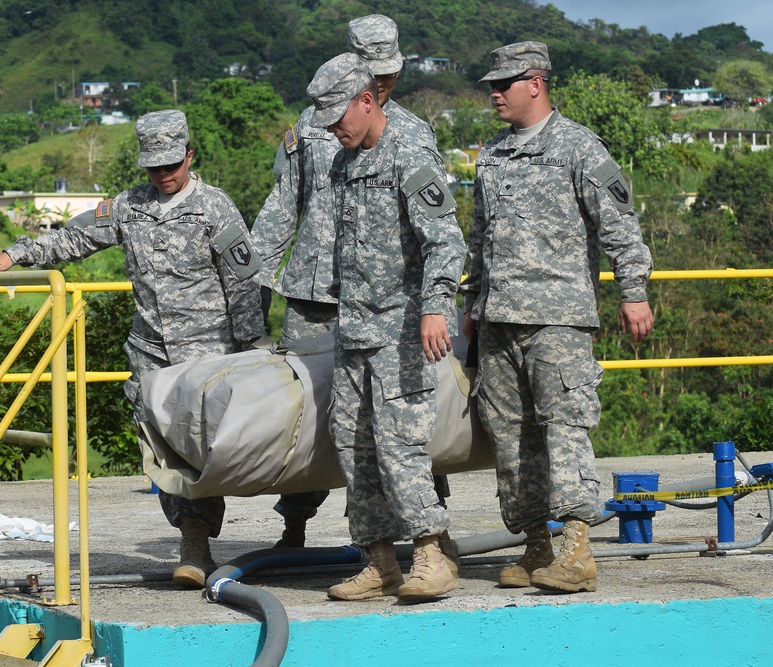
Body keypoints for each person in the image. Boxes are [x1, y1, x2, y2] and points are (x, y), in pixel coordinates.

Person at [0, 109, 270, 589]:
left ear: (190, 156)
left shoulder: (215, 207)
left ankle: (253, 530)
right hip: (151, 354)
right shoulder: (129, 207)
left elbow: (244, 282)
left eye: (172, 164)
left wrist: (249, 348)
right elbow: (74, 237)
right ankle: (193, 542)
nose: (164, 174)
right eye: (154, 167)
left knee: (201, 448)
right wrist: (15, 254)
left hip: (208, 354)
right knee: (163, 450)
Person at [250, 12, 457, 562]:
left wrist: (435, 303)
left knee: (399, 420)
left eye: (388, 77)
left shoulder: (411, 135)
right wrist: (255, 281)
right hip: (315, 297)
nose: (382, 85)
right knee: (319, 417)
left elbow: (439, 232)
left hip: (386, 305)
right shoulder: (315, 122)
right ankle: (298, 526)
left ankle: (427, 532)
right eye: (373, 74)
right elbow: (282, 205)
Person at [462, 41, 655, 593]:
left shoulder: (579, 146)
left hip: (558, 317)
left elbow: (620, 224)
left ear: (536, 83)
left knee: (565, 428)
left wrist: (633, 292)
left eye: (504, 84)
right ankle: (535, 547)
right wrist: (472, 303)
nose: (495, 94)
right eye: (491, 86)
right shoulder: (493, 155)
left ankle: (577, 551)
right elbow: (480, 236)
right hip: (499, 320)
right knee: (509, 436)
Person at [305, 53, 467, 602]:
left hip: (401, 330)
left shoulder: (409, 155)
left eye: (338, 116)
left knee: (401, 446)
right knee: (353, 445)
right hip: (354, 330)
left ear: (368, 99)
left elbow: (446, 241)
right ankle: (378, 562)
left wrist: (435, 307)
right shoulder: (342, 162)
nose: (333, 128)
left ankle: (431, 556)